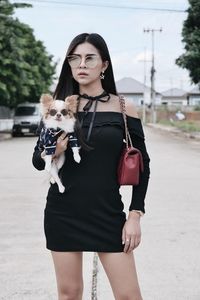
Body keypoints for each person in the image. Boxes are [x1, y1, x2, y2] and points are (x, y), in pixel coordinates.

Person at [32, 33, 150, 300]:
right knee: (70, 294)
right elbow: (37, 161)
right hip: (63, 213)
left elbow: (143, 164)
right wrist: (55, 150)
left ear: (104, 65)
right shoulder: (58, 106)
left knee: (129, 296)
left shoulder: (123, 107)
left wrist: (135, 215)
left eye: (89, 58)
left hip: (107, 213)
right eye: (75, 59)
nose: (81, 65)